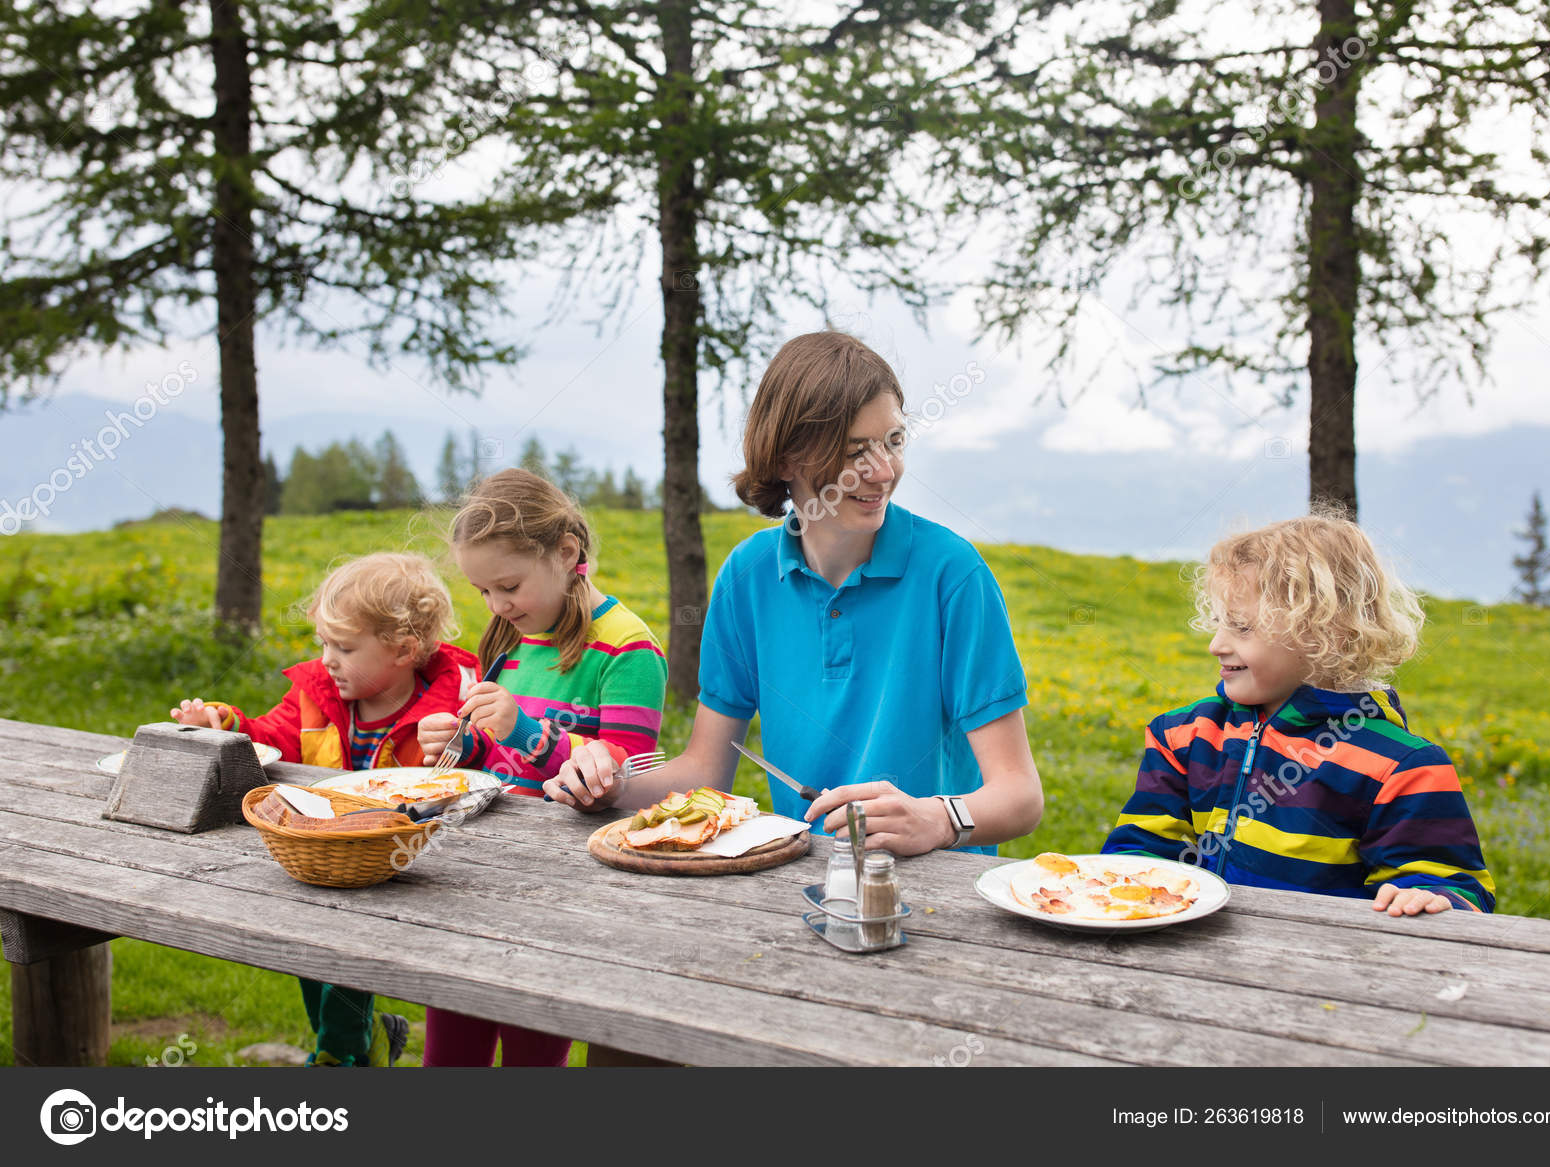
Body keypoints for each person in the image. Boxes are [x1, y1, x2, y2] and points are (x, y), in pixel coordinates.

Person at [543, 330, 1044, 858]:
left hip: (939, 892)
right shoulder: (747, 575)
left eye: (894, 441)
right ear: (786, 459)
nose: (883, 471)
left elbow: (1019, 796)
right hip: (803, 883)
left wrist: (941, 817)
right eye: (855, 451)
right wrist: (613, 788)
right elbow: (706, 770)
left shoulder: (953, 573)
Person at [170, 552, 479, 1064]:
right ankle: (360, 1042)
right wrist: (225, 726)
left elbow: (476, 775)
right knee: (310, 944)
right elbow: (271, 738)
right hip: (331, 856)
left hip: (412, 865)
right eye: (323, 643)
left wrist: (461, 748)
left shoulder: (449, 709)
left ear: (403, 650)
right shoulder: (318, 693)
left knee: (338, 945)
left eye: (345, 646)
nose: (327, 659)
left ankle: (340, 1054)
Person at [1102, 513, 1495, 915]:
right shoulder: (1185, 735)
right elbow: (1140, 848)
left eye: (1241, 627)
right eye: (1219, 623)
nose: (1216, 644)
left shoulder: (1403, 768)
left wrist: (1431, 896)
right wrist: (1128, 876)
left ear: (1324, 632)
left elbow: (1453, 887)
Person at [416, 468, 667, 1067]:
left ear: (566, 552)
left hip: (561, 891)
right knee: (451, 1047)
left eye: (508, 585)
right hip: (480, 873)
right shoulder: (510, 636)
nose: (496, 605)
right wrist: (464, 743)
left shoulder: (628, 651)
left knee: (532, 1050)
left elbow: (615, 787)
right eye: (482, 592)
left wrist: (522, 729)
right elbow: (499, 757)